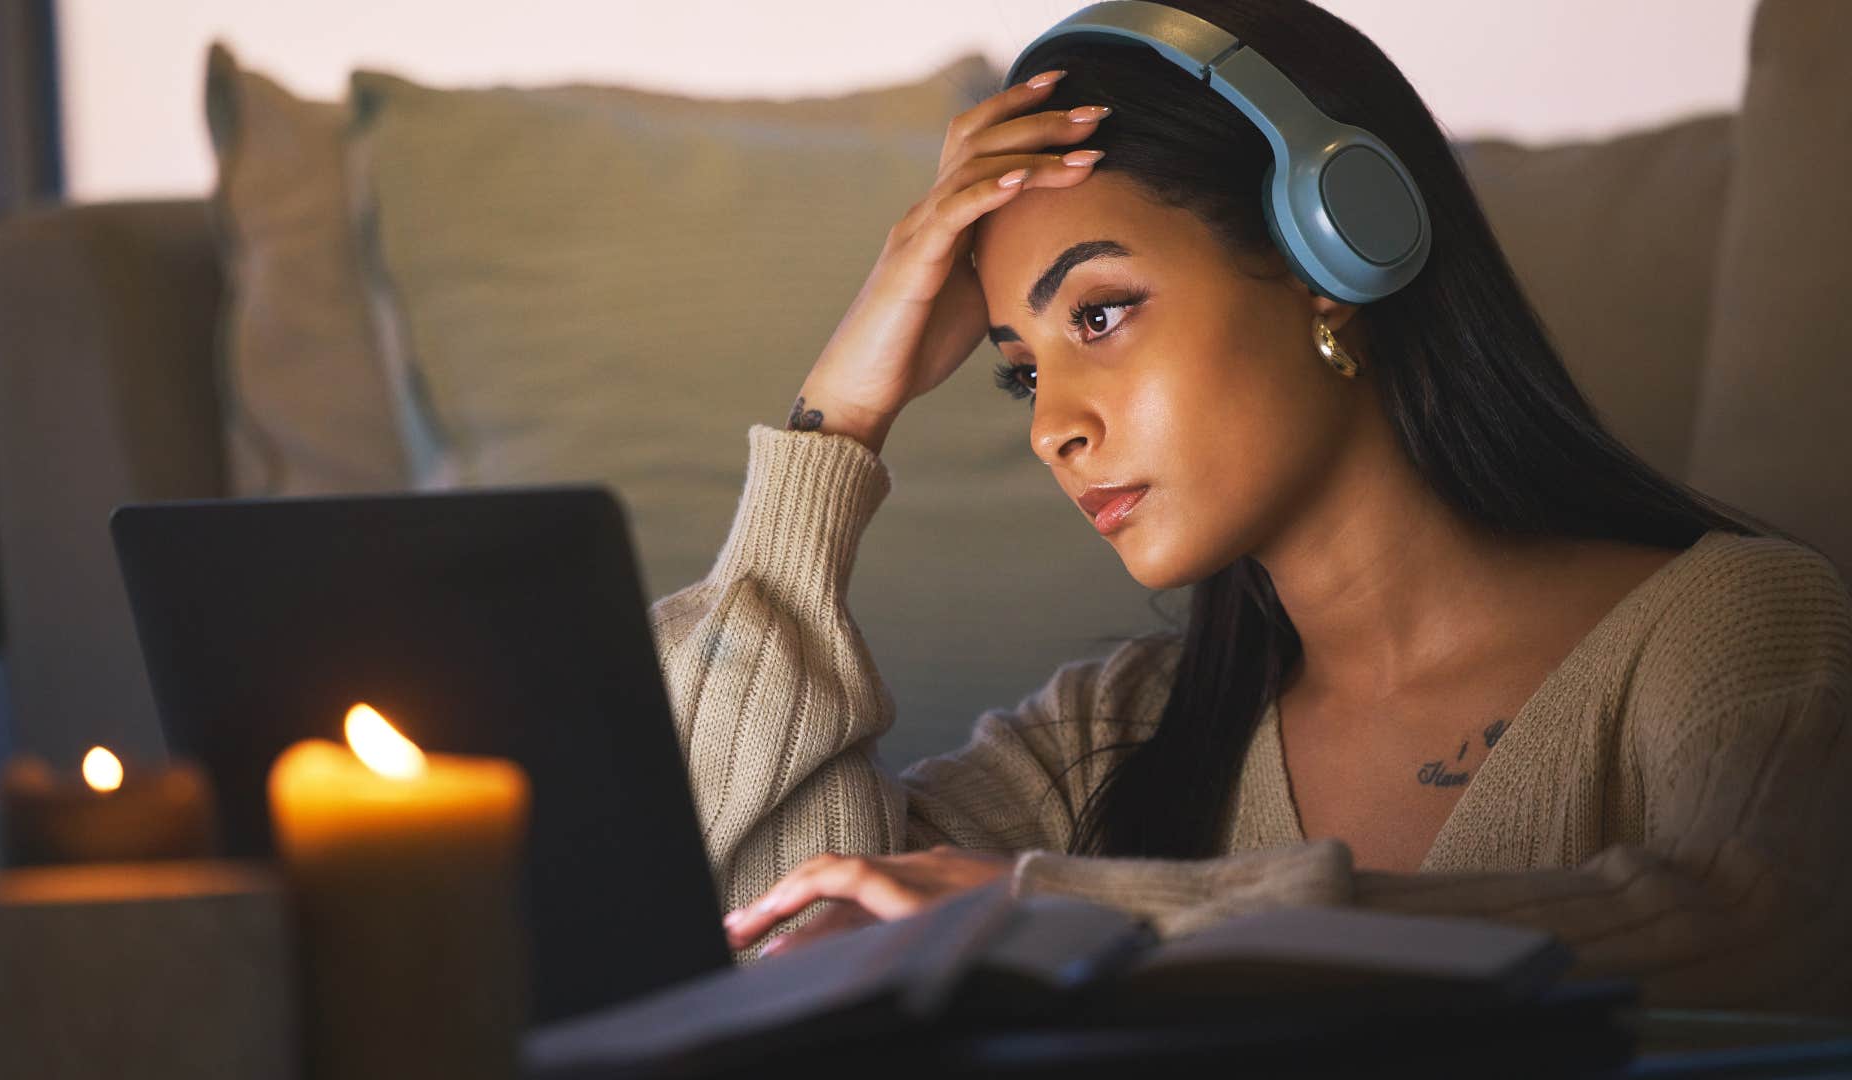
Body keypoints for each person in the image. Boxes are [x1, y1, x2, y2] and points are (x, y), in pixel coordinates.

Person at [647, 0, 1852, 1018]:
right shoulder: (1107, 734)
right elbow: (764, 942)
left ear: (1335, 257)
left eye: (1101, 314)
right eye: (1020, 372)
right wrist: (839, 422)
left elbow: (1765, 933)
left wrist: (1088, 915)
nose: (1050, 425)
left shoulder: (1731, 617)